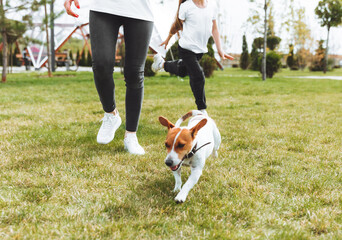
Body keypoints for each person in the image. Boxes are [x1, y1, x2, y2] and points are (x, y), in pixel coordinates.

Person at [64, 0, 154, 155]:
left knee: (134, 73)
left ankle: (131, 135)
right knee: (101, 65)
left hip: (141, 9)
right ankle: (111, 114)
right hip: (103, 6)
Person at [152, 0, 234, 115]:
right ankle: (202, 109)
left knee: (182, 70)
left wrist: (220, 50)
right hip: (186, 48)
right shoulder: (186, 6)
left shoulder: (211, 7)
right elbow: (177, 25)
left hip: (199, 51)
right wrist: (168, 39)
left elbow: (214, 28)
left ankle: (161, 64)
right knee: (198, 75)